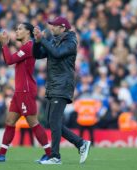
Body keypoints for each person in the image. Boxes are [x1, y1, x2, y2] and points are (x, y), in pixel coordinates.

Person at [0, 23, 51, 162]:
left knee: (33, 122)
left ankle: (50, 154)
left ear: (28, 32)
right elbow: (9, 60)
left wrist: (4, 44)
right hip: (19, 91)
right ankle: (1, 154)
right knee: (10, 121)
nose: (17, 31)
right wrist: (4, 45)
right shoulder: (25, 47)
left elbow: (9, 60)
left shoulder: (29, 47)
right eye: (17, 28)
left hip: (25, 91)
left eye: (20, 29)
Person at [33, 16, 91, 164]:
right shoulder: (54, 40)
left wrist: (43, 40)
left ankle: (55, 156)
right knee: (50, 121)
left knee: (54, 121)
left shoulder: (71, 42)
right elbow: (37, 55)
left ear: (63, 28)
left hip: (63, 85)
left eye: (55, 25)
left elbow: (57, 53)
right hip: (54, 84)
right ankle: (80, 143)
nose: (51, 28)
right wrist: (37, 41)